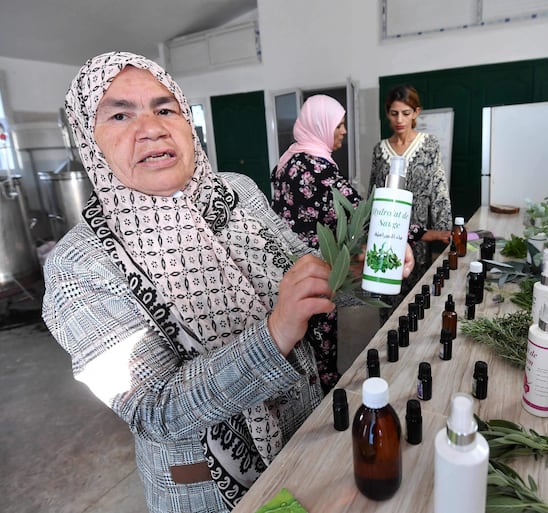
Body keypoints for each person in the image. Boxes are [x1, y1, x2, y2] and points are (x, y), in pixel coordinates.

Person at [41, 52, 413, 513]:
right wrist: (275, 333)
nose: (153, 127)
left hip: (306, 432)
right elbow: (156, 410)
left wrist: (349, 264)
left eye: (164, 108)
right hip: (212, 490)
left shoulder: (236, 192)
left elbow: (299, 265)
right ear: (87, 139)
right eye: (120, 114)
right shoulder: (79, 266)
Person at [270, 94, 362, 393]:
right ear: (321, 124)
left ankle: (305, 393)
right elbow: (359, 211)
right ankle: (323, 402)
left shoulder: (288, 161)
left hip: (287, 266)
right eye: (339, 124)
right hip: (316, 269)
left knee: (299, 337)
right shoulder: (317, 168)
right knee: (320, 336)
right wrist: (415, 232)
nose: (344, 131)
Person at [369, 85, 452, 299]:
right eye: (394, 113)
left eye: (406, 113)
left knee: (416, 298)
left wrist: (445, 233)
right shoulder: (380, 150)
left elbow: (439, 190)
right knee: (386, 294)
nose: (400, 120)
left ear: (416, 113)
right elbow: (373, 196)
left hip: (420, 240)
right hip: (388, 234)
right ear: (387, 113)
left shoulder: (429, 145)